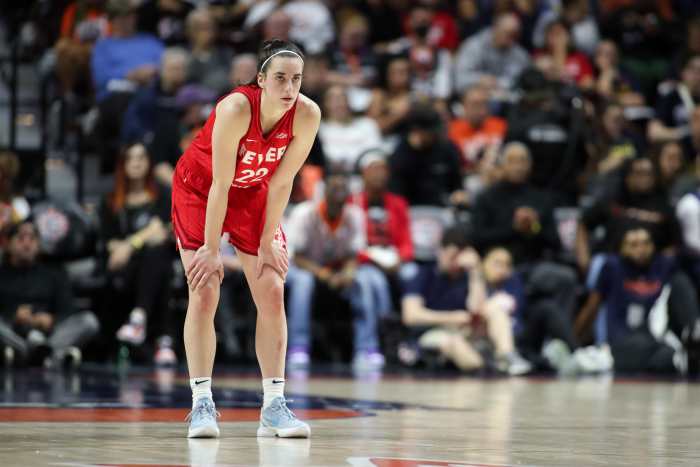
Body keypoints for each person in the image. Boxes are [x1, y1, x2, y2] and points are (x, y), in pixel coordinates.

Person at [171, 39, 320, 439]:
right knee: (205, 288)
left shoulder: (307, 114)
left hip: (253, 193)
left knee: (272, 288)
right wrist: (210, 248)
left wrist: (271, 236)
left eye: (297, 80)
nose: (290, 88)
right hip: (201, 191)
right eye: (281, 79)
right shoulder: (236, 108)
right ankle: (202, 402)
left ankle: (274, 406)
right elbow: (220, 184)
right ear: (261, 80)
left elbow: (283, 179)